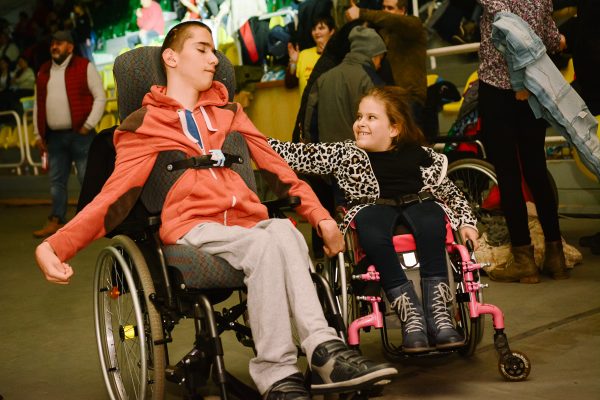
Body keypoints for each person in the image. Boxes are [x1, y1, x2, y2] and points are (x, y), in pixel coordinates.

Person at [34, 21, 397, 399]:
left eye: (213, 50)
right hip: (193, 227)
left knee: (284, 231)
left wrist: (320, 216)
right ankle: (277, 374)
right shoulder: (145, 123)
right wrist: (56, 246)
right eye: (202, 49)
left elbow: (279, 171)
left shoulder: (230, 113)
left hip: (245, 223)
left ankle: (322, 350)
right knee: (265, 244)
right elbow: (113, 197)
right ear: (171, 58)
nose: (214, 59)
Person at [270, 86, 479, 352]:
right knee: (370, 229)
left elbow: (451, 194)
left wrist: (467, 223)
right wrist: (245, 135)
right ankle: (411, 316)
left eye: (371, 118)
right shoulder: (345, 154)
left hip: (420, 205)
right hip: (371, 209)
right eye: (359, 117)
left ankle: (440, 315)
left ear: (394, 128)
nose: (360, 123)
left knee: (432, 220)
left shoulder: (423, 157)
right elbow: (293, 154)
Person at [477, 0, 569, 283]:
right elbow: (551, 39)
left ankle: (524, 260)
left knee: (508, 175)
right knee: (536, 169)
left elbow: (507, 30)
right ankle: (556, 256)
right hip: (533, 88)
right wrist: (561, 40)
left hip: (497, 90)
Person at [32, 30, 105, 238]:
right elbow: (38, 104)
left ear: (70, 47)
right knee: (56, 181)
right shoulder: (43, 71)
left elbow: (100, 97)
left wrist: (88, 125)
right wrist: (38, 134)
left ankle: (95, 221)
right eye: (53, 43)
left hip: (81, 134)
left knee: (87, 178)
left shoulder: (84, 66)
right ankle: (56, 219)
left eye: (60, 43)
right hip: (54, 136)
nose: (54, 46)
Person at [345, 0, 428, 129]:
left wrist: (361, 13)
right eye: (383, 7)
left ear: (402, 10)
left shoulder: (413, 24)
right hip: (389, 97)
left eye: (390, 8)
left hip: (410, 98)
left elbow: (393, 20)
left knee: (408, 139)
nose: (385, 11)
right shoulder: (383, 32)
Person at [305, 25, 386, 143]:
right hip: (360, 152)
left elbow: (310, 124)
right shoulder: (371, 80)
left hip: (327, 152)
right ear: (373, 55)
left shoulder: (323, 79)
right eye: (380, 58)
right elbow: (382, 127)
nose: (379, 65)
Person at [285, 15, 336, 97]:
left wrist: (327, 56)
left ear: (332, 31)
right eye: (314, 29)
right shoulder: (304, 54)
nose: (316, 32)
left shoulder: (337, 55)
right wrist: (293, 63)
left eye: (321, 28)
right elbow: (290, 84)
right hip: (307, 105)